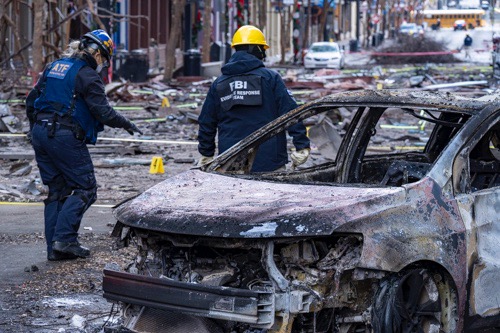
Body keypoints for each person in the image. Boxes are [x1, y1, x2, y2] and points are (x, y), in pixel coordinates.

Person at [26, 29, 143, 261]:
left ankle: (55, 248)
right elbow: (103, 112)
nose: (103, 64)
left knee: (56, 192)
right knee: (85, 189)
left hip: (41, 132)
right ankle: (65, 240)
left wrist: (33, 131)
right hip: (64, 136)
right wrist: (126, 123)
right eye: (104, 59)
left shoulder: (54, 67)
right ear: (98, 54)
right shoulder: (88, 75)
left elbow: (32, 100)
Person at [197, 25, 310, 172]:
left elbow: (207, 121)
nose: (263, 53)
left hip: (230, 160)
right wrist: (301, 144)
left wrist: (206, 153)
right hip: (269, 160)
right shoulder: (271, 78)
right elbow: (290, 112)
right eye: (262, 49)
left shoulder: (219, 83)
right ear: (255, 49)